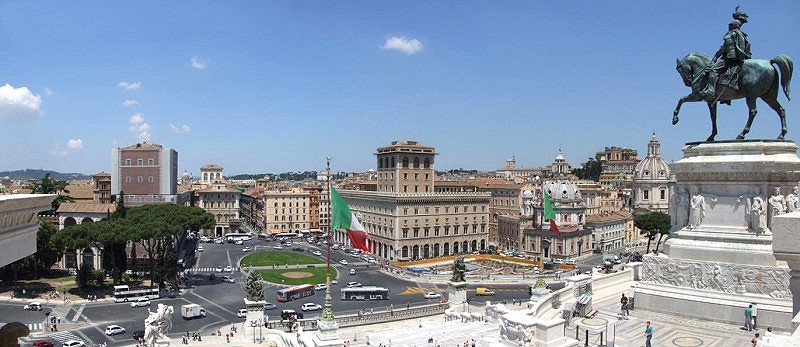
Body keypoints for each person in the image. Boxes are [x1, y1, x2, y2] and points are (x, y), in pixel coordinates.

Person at [701, 16, 751, 100]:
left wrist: (717, 55)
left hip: (731, 58)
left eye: (730, 25)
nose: (729, 27)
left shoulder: (731, 34)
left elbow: (725, 47)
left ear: (733, 25)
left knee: (713, 70)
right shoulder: (742, 34)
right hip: (741, 57)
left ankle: (710, 90)